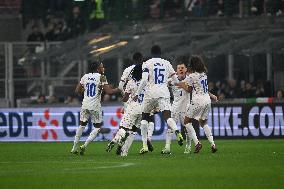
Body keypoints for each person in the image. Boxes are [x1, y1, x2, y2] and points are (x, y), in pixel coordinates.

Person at [134, 45, 184, 154]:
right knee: (167, 117)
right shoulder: (167, 63)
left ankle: (144, 146)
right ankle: (176, 130)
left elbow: (143, 81)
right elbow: (176, 81)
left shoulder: (147, 63)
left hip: (150, 93)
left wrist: (137, 93)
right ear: (160, 53)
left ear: (151, 53)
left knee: (144, 117)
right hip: (163, 93)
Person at [70, 61, 120, 155]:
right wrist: (119, 89)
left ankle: (74, 147)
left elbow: (77, 91)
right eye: (102, 67)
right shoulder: (102, 77)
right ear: (98, 69)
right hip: (95, 105)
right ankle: (84, 145)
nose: (103, 68)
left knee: (82, 125)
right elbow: (109, 92)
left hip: (85, 104)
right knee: (97, 127)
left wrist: (85, 89)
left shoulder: (85, 76)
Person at [178, 55, 218, 153]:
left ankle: (197, 143)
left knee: (186, 121)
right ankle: (213, 144)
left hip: (197, 101)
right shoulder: (204, 74)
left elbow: (189, 89)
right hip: (207, 101)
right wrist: (212, 95)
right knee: (203, 123)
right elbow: (203, 88)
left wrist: (178, 84)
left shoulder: (192, 76)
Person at [106, 64, 144, 156]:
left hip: (132, 108)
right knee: (133, 131)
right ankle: (124, 152)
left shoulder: (130, 82)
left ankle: (115, 140)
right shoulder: (146, 82)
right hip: (143, 109)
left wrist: (123, 100)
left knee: (123, 127)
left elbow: (125, 98)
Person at [161, 61, 191, 154]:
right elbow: (162, 86)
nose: (181, 69)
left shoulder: (190, 79)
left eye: (182, 68)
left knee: (187, 128)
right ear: (176, 70)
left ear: (186, 69)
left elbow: (192, 90)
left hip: (185, 108)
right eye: (179, 68)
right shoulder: (170, 80)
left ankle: (188, 146)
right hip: (174, 107)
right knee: (170, 127)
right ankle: (167, 147)